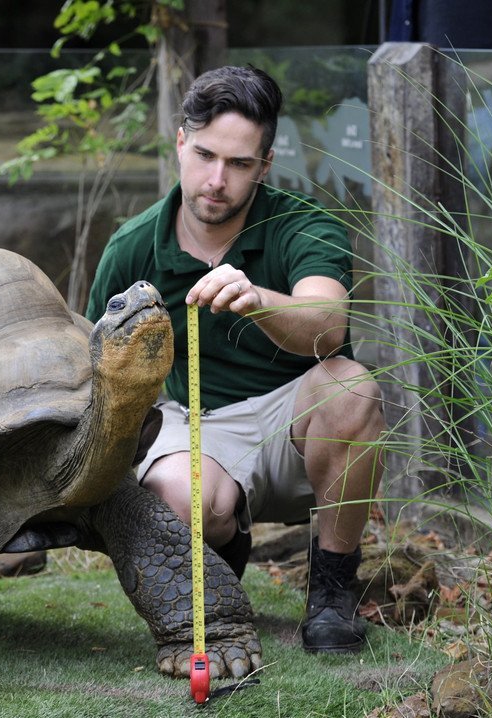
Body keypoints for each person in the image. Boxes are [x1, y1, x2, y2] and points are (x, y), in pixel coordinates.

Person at [85, 65, 386, 654]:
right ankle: (224, 549)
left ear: (265, 165)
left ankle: (332, 593)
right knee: (176, 497)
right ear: (180, 143)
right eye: (205, 155)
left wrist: (258, 301)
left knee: (352, 388)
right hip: (195, 423)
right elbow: (90, 366)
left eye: (239, 164)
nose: (216, 180)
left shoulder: (305, 226)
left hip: (296, 423)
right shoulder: (132, 246)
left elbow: (327, 325)